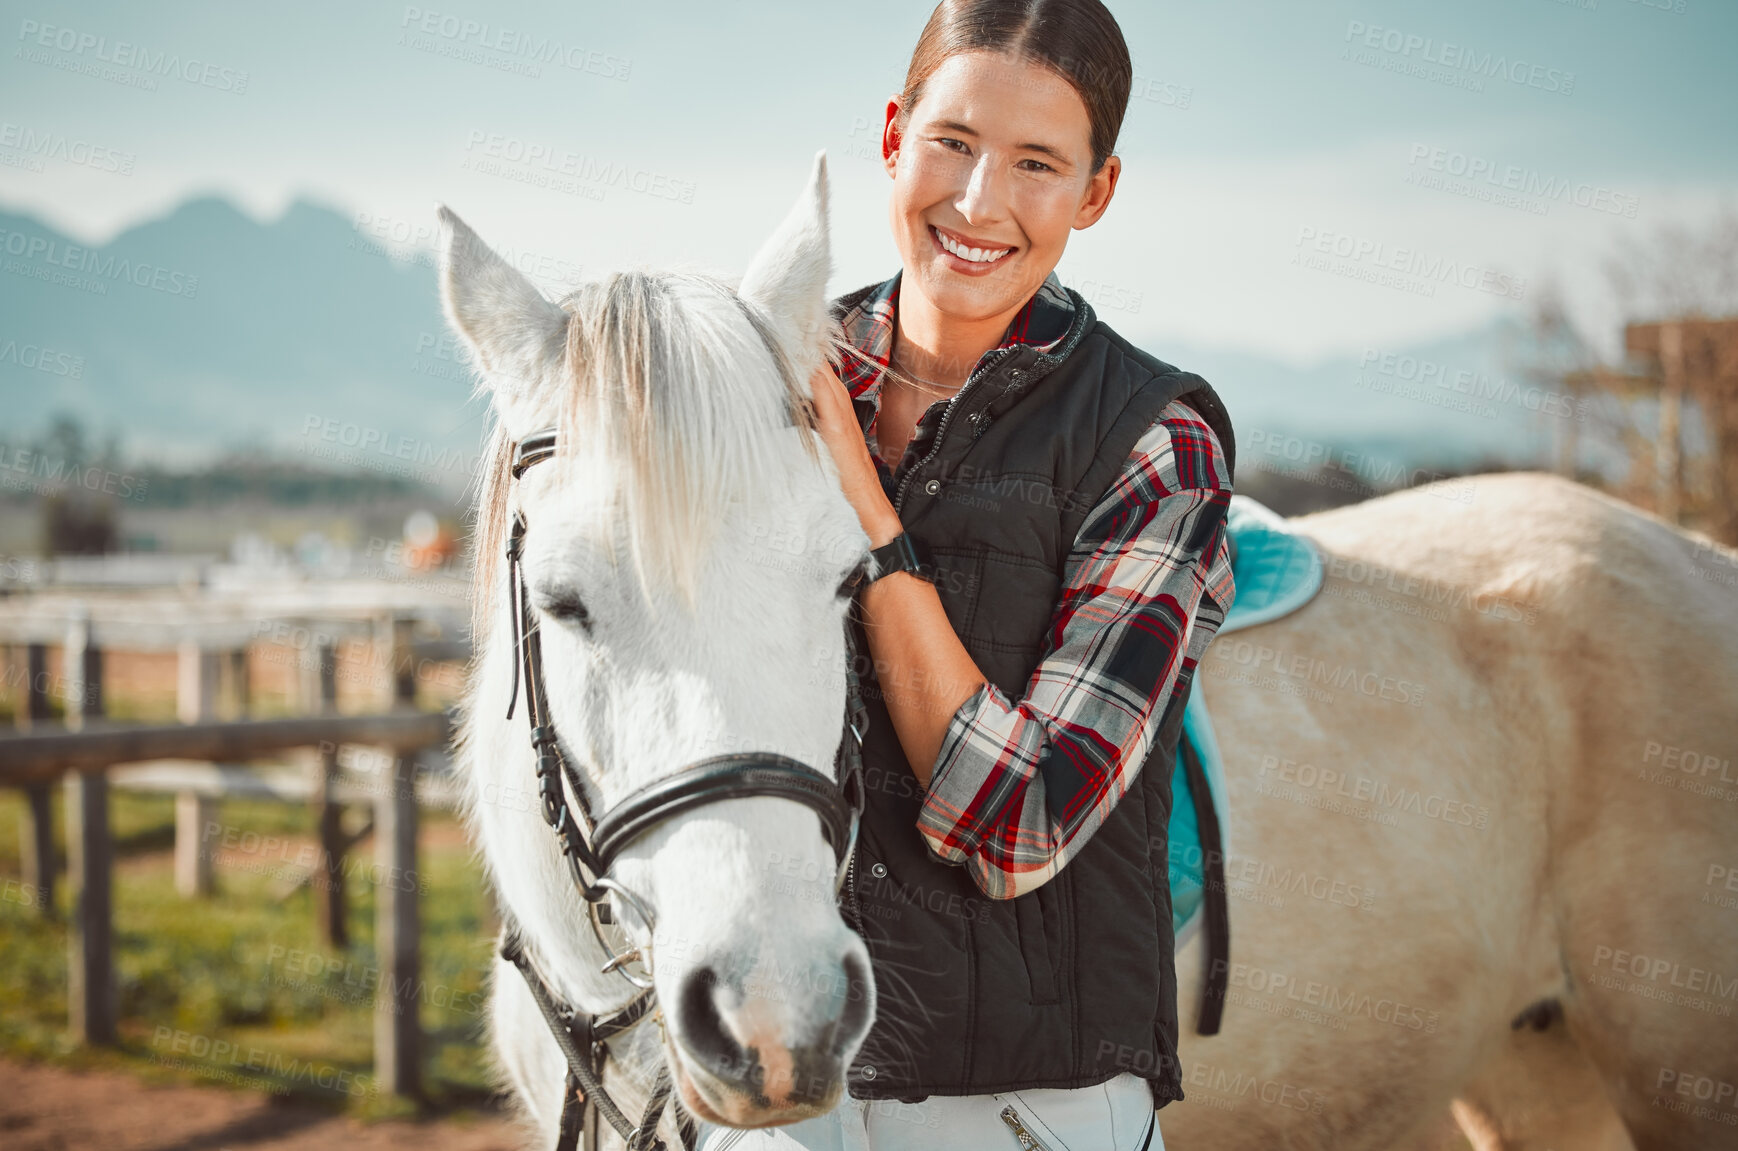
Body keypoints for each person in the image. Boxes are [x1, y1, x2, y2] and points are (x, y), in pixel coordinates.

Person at [705, 1, 1235, 1147]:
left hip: (1024, 1109)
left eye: (1038, 162)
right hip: (774, 1097)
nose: (980, 200)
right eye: (952, 141)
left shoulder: (1154, 444)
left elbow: (1019, 826)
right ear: (892, 134)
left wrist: (866, 510)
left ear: (1094, 193)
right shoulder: (763, 383)